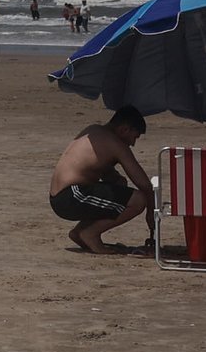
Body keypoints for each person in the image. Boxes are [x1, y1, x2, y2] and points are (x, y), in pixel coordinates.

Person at [49, 105, 153, 254]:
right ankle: (90, 234)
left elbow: (96, 167)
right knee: (139, 200)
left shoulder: (93, 131)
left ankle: (79, 232)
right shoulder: (115, 144)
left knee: (120, 185)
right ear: (124, 129)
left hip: (60, 196)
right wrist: (150, 213)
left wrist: (117, 180)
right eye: (134, 137)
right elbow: (143, 184)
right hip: (72, 195)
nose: (133, 143)